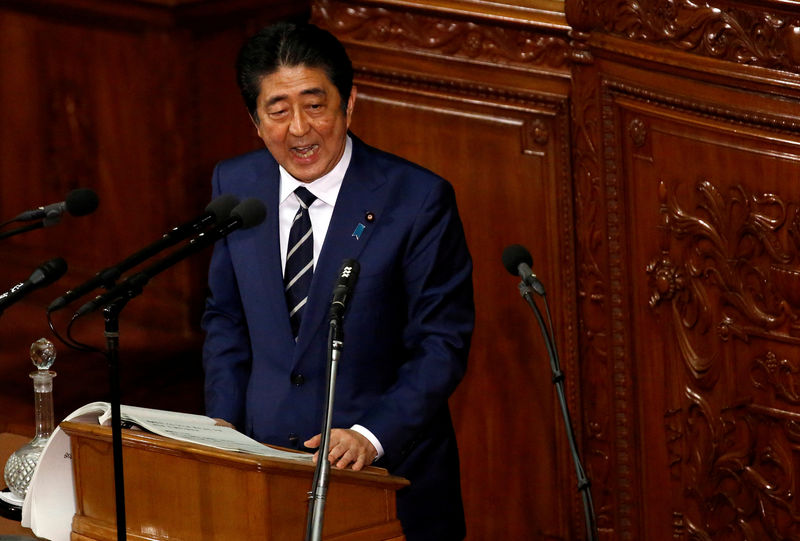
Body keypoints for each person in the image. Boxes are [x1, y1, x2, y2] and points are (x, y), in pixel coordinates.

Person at [201, 21, 474, 541]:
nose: (299, 129)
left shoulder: (416, 200)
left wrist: (373, 435)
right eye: (278, 111)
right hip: (261, 474)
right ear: (255, 122)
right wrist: (222, 430)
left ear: (350, 103)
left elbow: (441, 343)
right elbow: (225, 318)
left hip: (385, 480)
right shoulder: (235, 185)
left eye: (315, 104)